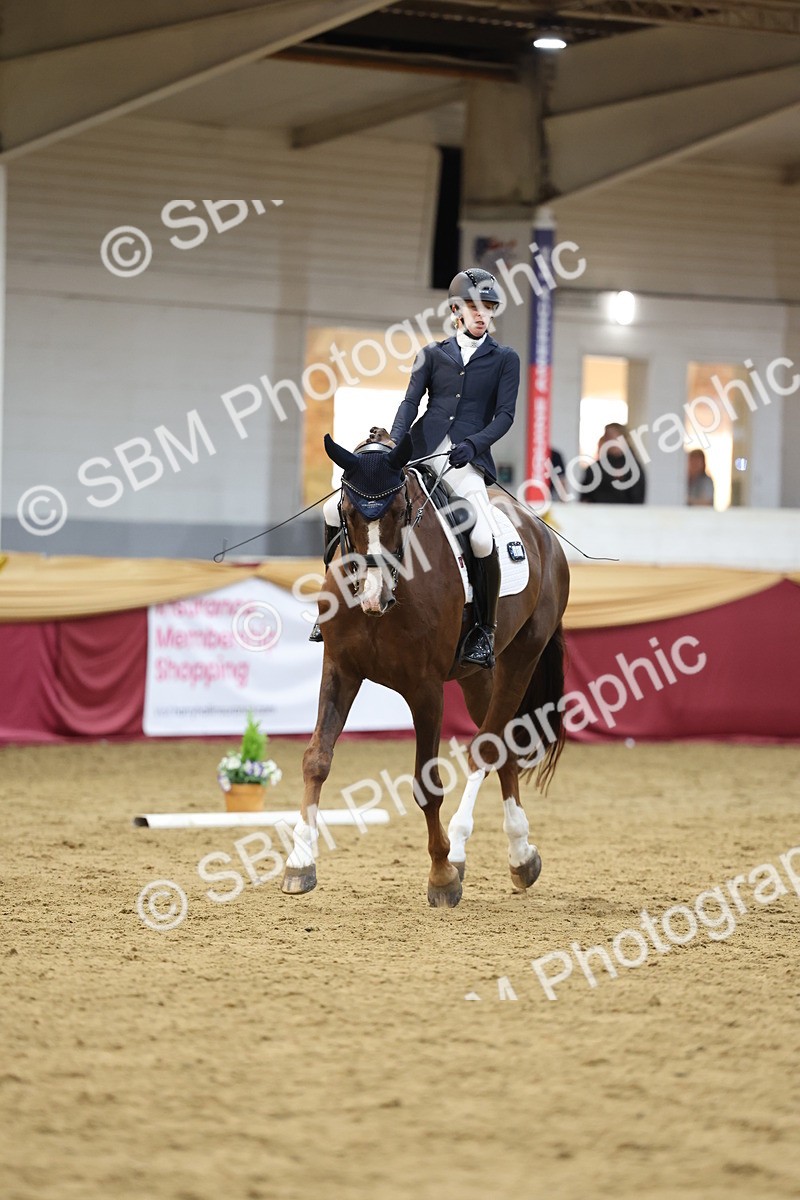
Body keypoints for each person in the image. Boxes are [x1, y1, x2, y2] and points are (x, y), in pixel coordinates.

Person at [309, 267, 519, 670]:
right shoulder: (432, 354)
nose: (482, 314)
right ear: (456, 310)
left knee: (480, 536)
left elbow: (505, 415)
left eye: (489, 307)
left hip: (465, 462)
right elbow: (410, 403)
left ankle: (483, 630)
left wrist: (474, 445)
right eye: (474, 306)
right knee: (333, 509)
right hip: (419, 453)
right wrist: (394, 445)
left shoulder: (505, 358)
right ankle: (333, 601)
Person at [578, 422, 646, 504]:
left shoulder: (633, 468)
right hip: (597, 511)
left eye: (612, 437)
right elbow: (585, 495)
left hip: (623, 511)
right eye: (606, 437)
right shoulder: (595, 468)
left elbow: (638, 498)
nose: (608, 441)